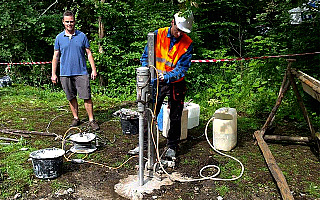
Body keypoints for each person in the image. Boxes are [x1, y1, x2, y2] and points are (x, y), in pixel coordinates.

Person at [128, 12, 194, 159]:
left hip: (176, 82)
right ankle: (144, 143)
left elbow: (182, 69)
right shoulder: (158, 34)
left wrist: (167, 76)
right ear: (172, 22)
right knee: (149, 112)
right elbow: (146, 56)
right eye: (177, 30)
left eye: (182, 32)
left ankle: (172, 146)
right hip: (156, 81)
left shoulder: (187, 43)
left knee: (176, 115)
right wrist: (147, 72)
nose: (179, 34)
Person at [51, 10, 100, 131]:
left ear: (74, 22)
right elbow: (55, 56)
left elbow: (88, 53)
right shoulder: (59, 38)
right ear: (63, 22)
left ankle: (91, 120)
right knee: (71, 96)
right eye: (67, 22)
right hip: (65, 73)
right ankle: (76, 118)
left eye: (71, 21)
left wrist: (93, 69)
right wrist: (53, 73)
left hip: (81, 72)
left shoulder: (82, 36)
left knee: (86, 96)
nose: (69, 24)